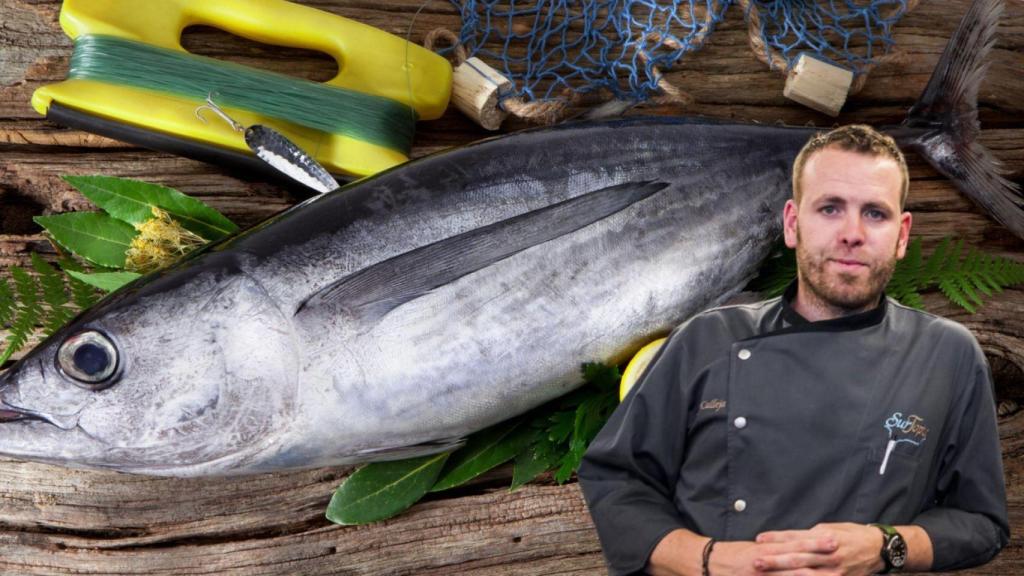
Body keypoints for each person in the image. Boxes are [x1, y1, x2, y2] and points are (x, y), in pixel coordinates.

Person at [578, 125, 1009, 576]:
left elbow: (981, 522)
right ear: (791, 223)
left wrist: (887, 545)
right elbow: (617, 479)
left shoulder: (947, 354)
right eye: (829, 208)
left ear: (902, 236)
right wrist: (710, 560)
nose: (852, 233)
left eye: (875, 214)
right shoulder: (706, 339)